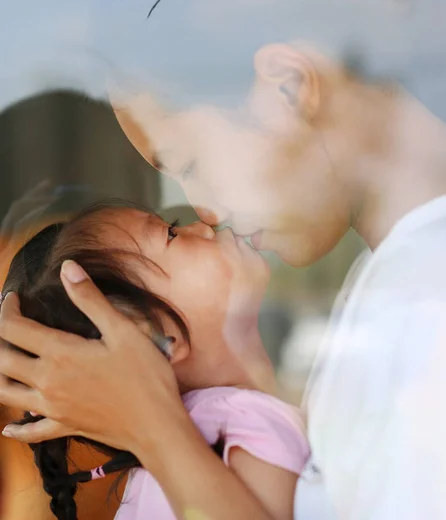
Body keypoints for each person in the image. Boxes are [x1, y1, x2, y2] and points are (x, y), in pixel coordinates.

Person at [2, 41, 446, 519]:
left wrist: (148, 423)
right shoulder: (389, 290)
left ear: (291, 86)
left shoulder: (421, 292)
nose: (206, 213)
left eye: (188, 164)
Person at [0, 201, 309, 520]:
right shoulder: (243, 426)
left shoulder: (179, 454)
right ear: (151, 337)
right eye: (172, 233)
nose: (203, 225)